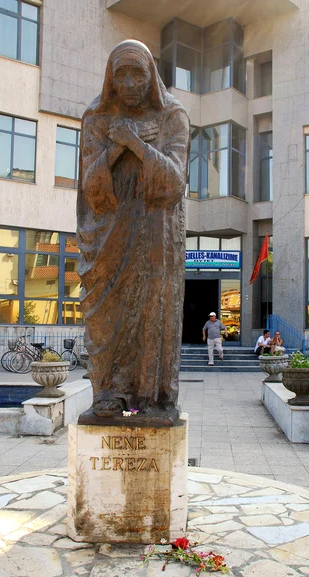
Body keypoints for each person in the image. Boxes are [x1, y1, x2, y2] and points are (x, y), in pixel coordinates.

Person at [76, 40, 190, 419]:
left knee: (151, 311)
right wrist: (114, 149)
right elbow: (91, 189)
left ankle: (153, 396)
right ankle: (109, 391)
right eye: (119, 73)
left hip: (156, 235)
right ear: (110, 78)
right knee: (108, 313)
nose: (127, 83)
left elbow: (173, 183)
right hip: (111, 237)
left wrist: (134, 143)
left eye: (136, 73)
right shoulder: (95, 120)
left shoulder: (173, 117)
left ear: (150, 76)